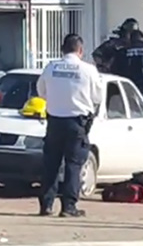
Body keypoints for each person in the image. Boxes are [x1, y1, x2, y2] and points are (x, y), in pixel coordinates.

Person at [36, 34, 104, 217]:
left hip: (55, 121)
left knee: (51, 164)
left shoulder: (50, 68)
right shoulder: (88, 70)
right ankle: (69, 207)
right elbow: (98, 97)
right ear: (80, 50)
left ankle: (46, 205)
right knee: (73, 165)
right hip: (77, 123)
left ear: (62, 49)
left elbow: (41, 91)